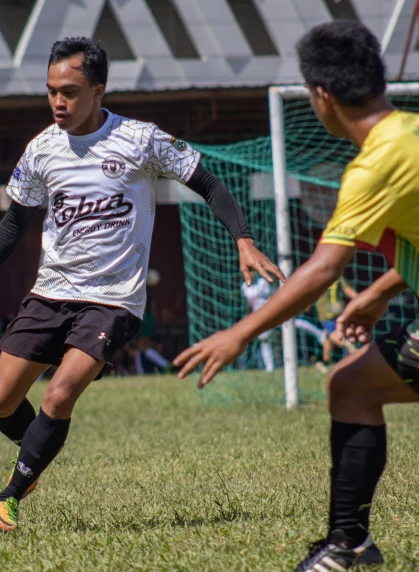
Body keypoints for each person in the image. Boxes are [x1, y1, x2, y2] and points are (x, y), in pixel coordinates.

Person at [0, 37, 284, 532]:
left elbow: (209, 184)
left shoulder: (140, 139)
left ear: (98, 90)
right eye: (50, 92)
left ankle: (10, 496)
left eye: (69, 91)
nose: (57, 103)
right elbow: (15, 222)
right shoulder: (42, 149)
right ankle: (37, 456)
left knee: (59, 396)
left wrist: (243, 239)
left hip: (112, 299)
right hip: (50, 293)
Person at [173, 21, 419, 571]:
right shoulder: (411, 132)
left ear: (322, 97)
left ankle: (347, 546)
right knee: (352, 384)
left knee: (352, 386)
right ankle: (348, 543)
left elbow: (323, 270)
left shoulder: (373, 166)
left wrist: (238, 334)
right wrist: (382, 290)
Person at [241, 273, 325, 372]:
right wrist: (248, 314)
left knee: (292, 323)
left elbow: (273, 295)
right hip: (259, 316)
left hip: (272, 311)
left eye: (252, 272)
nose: (250, 275)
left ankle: (318, 333)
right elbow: (249, 304)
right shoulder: (244, 287)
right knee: (265, 340)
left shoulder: (262, 283)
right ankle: (270, 367)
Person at [315, 277, 358, 371]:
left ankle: (350, 348)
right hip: (338, 310)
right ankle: (325, 362)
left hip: (326, 313)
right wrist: (358, 298)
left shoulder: (318, 275)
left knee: (332, 335)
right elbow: (348, 290)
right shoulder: (337, 274)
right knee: (327, 337)